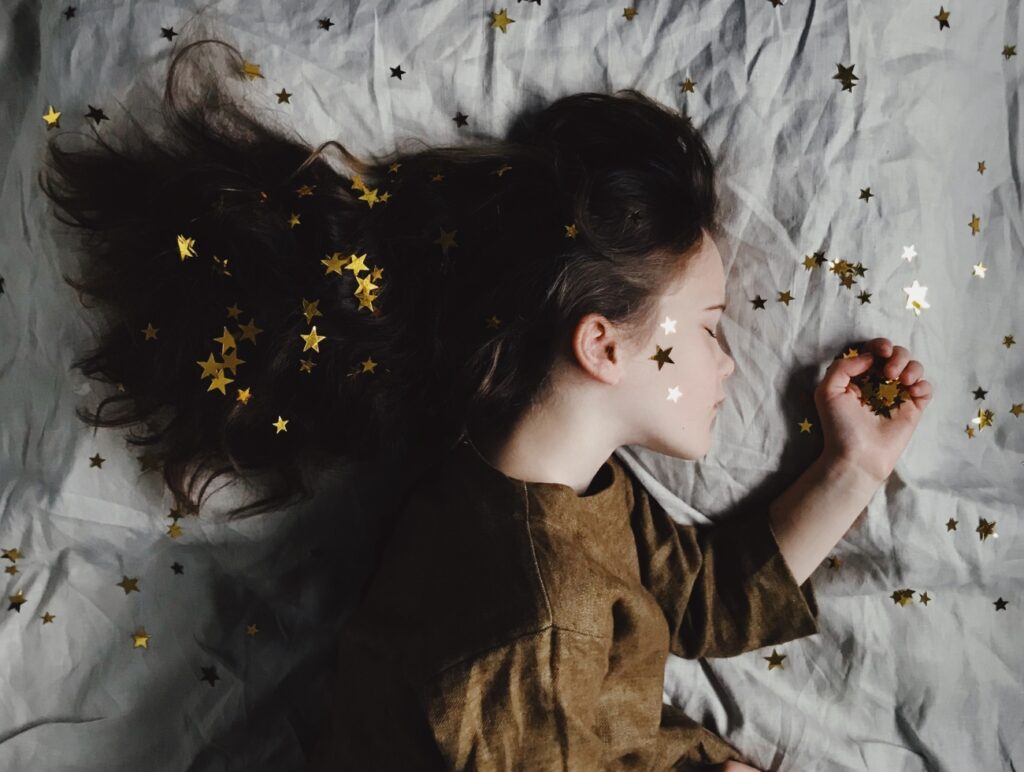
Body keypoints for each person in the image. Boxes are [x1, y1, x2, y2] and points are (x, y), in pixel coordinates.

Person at [37, 27, 932, 772]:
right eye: (708, 326)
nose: (729, 365)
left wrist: (854, 465)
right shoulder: (527, 634)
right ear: (603, 344)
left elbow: (699, 598)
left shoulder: (549, 489)